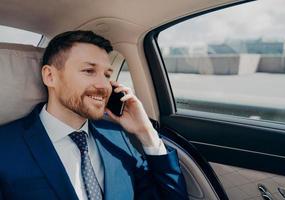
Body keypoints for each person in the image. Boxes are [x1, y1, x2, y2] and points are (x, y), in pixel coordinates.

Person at [0, 30, 188, 200]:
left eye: (107, 75)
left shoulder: (117, 137)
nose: (103, 85)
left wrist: (147, 134)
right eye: (89, 71)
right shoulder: (5, 145)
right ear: (50, 76)